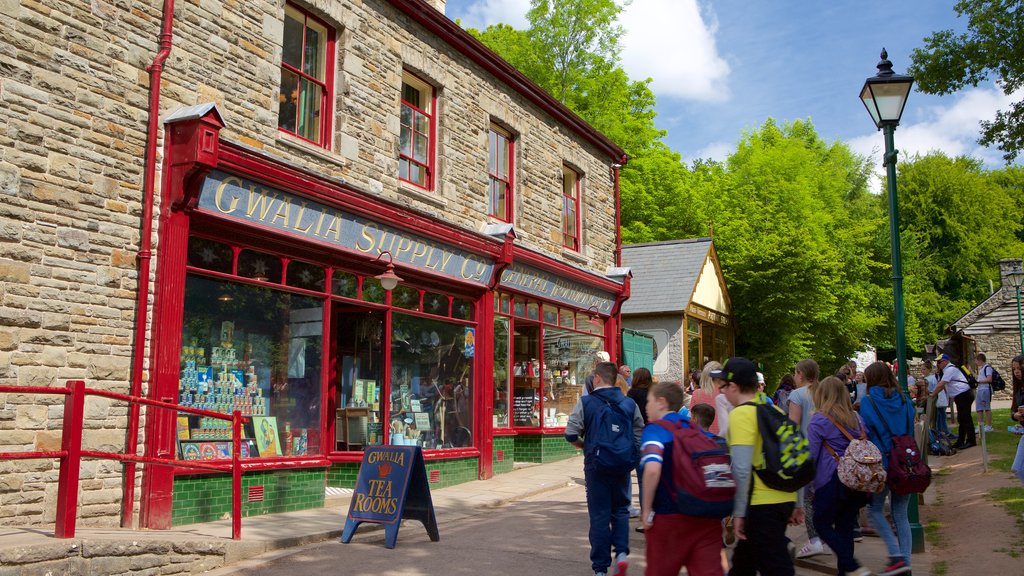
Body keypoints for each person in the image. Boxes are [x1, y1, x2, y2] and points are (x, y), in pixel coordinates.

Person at [722, 356, 804, 576]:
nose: (721, 391)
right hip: (782, 498)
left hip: (760, 504)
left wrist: (738, 513)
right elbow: (796, 458)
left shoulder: (740, 414)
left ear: (733, 386)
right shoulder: (775, 412)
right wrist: (797, 501)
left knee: (776, 567)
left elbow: (740, 468)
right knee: (744, 563)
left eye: (723, 386)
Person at [565, 361, 644, 576]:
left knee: (599, 516)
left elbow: (570, 434)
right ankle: (621, 554)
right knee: (620, 510)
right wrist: (632, 452)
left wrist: (584, 446)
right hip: (621, 465)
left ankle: (600, 569)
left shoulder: (586, 402)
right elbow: (639, 430)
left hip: (596, 465)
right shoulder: (629, 404)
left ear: (597, 378)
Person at [639, 381, 725, 576]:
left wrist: (645, 510)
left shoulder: (656, 429)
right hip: (706, 517)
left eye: (648, 401)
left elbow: (652, 469)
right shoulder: (694, 428)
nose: (646, 407)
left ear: (661, 402)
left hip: (669, 518)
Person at [807, 376, 872, 576]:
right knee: (845, 527)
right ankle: (847, 570)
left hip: (830, 479)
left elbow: (811, 454)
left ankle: (851, 564)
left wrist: (806, 483)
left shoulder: (819, 419)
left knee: (821, 522)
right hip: (855, 480)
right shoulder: (856, 417)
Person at [860, 361, 915, 576]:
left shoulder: (868, 401)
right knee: (901, 515)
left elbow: (866, 432)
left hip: (881, 463)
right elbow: (910, 429)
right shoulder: (904, 399)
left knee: (874, 511)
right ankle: (906, 563)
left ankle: (896, 556)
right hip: (905, 462)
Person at [788, 359, 827, 559]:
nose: (794, 377)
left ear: (801, 374)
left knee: (808, 499)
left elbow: (793, 426)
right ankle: (826, 537)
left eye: (795, 373)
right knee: (824, 495)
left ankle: (814, 540)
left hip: (806, 451)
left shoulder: (797, 394)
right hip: (827, 451)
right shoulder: (824, 392)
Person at [627, 367, 654, 529]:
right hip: (653, 436)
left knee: (642, 479)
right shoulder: (653, 392)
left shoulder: (632, 394)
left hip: (637, 438)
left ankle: (645, 514)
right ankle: (651, 512)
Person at [932, 353, 976, 449]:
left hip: (964, 395)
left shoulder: (950, 369)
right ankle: (961, 441)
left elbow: (941, 384)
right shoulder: (947, 370)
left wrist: (932, 395)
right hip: (961, 395)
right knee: (962, 418)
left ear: (945, 361)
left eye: (939, 362)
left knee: (966, 418)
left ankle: (971, 441)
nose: (938, 365)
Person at [690, 361, 723, 434]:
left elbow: (692, 421)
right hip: (724, 439)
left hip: (703, 439)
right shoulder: (727, 394)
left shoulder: (697, 394)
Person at [1008, 356, 1024, 484]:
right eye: (1014, 369)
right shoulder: (1018, 388)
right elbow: (1013, 411)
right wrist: (1016, 417)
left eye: (1019, 368)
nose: (1016, 371)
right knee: (1017, 468)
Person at [924, 359, 949, 435]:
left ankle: (943, 432)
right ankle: (943, 431)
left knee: (939, 417)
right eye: (922, 369)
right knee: (941, 416)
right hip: (939, 397)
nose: (922, 371)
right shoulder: (934, 377)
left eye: (924, 369)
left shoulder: (928, 379)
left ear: (929, 369)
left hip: (936, 398)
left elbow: (929, 390)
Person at [974, 353, 994, 433]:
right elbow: (978, 378)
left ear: (980, 360)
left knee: (986, 408)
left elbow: (989, 379)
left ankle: (989, 426)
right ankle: (980, 426)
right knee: (979, 409)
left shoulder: (987, 368)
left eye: (976, 360)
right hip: (980, 390)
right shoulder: (982, 369)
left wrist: (978, 381)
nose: (976, 362)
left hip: (985, 390)